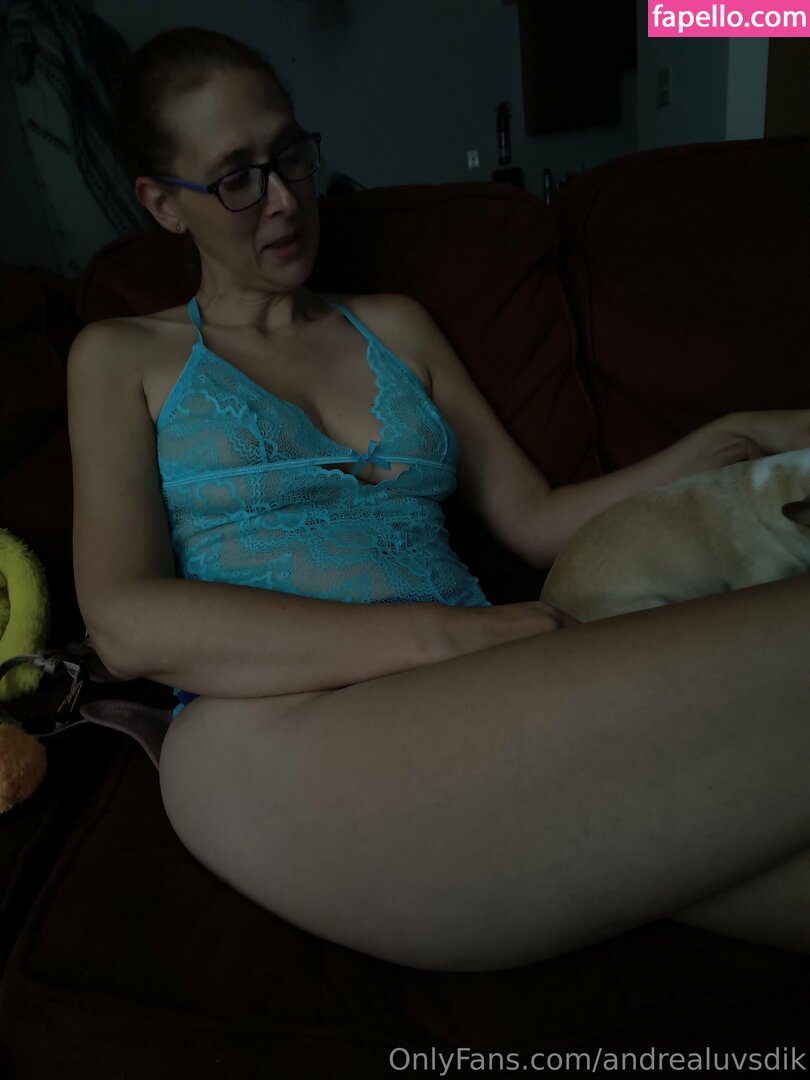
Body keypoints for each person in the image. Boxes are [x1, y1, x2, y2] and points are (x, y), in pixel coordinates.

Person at [67, 27, 810, 974]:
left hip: (482, 696)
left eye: (290, 155)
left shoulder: (396, 326)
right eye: (236, 178)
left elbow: (535, 519)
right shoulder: (122, 355)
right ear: (163, 204)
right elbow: (125, 621)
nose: (284, 198)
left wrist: (731, 439)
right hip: (273, 734)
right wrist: (445, 636)